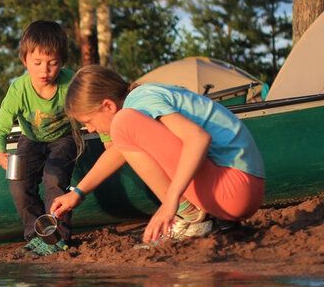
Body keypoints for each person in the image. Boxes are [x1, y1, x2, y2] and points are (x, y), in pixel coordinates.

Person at [49, 65, 265, 244]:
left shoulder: (140, 102)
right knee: (123, 128)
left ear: (107, 105)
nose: (91, 129)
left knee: (122, 124)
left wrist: (170, 202)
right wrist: (78, 192)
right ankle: (192, 214)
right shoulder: (143, 99)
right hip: (241, 189)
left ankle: (188, 216)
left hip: (233, 187)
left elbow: (198, 139)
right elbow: (119, 151)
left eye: (88, 121)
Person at [0, 21, 76, 256]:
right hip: (31, 138)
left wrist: (108, 141)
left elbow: (93, 106)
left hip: (64, 138)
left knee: (54, 180)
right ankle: (37, 234)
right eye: (36, 63)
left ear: (62, 62)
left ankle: (59, 237)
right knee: (18, 184)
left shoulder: (71, 84)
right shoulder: (18, 90)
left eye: (52, 63)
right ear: (24, 60)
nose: (44, 71)